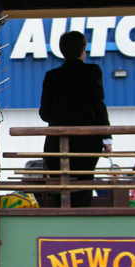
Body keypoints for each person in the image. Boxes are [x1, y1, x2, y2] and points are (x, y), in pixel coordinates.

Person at [40, 30, 112, 208]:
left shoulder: (52, 76)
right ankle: (80, 228)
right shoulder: (92, 71)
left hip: (56, 142)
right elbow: (98, 105)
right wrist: (106, 137)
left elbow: (44, 114)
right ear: (83, 48)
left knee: (60, 187)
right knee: (83, 185)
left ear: (61, 50)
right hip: (86, 141)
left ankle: (60, 228)